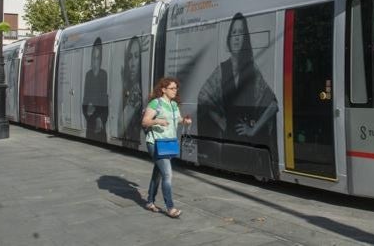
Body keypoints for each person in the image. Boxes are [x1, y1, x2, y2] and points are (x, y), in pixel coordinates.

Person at [197, 12, 278, 144]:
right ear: (229, 37)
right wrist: (220, 121)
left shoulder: (252, 69)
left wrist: (253, 130)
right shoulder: (221, 70)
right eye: (234, 32)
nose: (236, 38)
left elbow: (273, 104)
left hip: (251, 144)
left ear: (245, 39)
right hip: (228, 139)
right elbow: (203, 97)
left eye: (240, 33)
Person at [141, 77, 191, 218]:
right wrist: (158, 121)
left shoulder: (174, 105)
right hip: (156, 143)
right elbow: (145, 121)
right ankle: (170, 208)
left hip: (168, 143)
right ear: (163, 89)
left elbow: (176, 120)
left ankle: (150, 201)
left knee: (158, 173)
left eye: (176, 88)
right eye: (172, 88)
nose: (175, 91)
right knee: (167, 174)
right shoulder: (155, 103)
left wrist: (184, 121)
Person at [82, 37, 108, 142]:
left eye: (97, 58)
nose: (94, 62)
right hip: (91, 121)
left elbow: (104, 99)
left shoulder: (103, 74)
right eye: (93, 58)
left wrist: (100, 118)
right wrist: (87, 110)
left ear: (101, 60)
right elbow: (85, 100)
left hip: (100, 120)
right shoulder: (88, 75)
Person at [119, 36, 143, 148]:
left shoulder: (137, 91)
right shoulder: (130, 88)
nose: (132, 63)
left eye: (137, 57)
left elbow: (120, 126)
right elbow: (120, 128)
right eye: (130, 57)